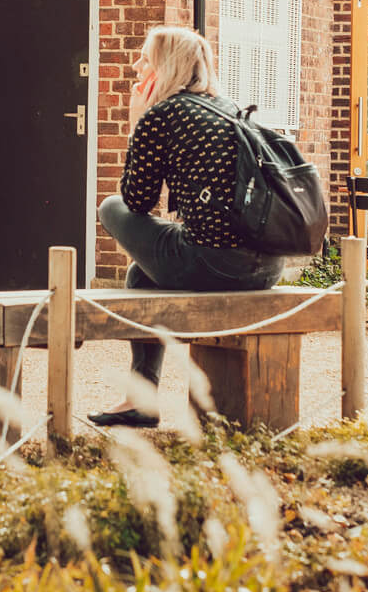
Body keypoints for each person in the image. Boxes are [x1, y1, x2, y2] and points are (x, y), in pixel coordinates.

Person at [88, 24, 285, 428]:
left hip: (214, 263)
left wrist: (135, 124)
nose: (135, 65)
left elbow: (137, 202)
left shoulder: (162, 115)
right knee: (140, 274)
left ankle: (139, 400)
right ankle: (139, 401)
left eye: (144, 57)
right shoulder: (227, 108)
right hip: (267, 266)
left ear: (163, 67)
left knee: (109, 208)